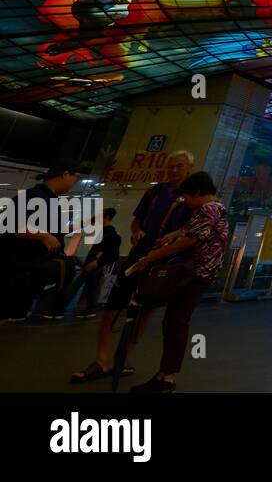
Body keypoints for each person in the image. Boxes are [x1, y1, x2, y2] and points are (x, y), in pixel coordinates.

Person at [69, 151, 195, 383]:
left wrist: (173, 238)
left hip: (162, 262)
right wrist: (136, 230)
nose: (174, 170)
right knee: (112, 307)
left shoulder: (191, 197)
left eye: (179, 166)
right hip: (138, 255)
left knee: (146, 311)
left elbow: (192, 230)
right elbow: (138, 219)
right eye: (171, 166)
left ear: (189, 168)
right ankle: (101, 360)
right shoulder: (155, 191)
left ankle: (121, 359)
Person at [130, 171, 230, 393]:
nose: (185, 202)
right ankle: (164, 374)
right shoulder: (218, 209)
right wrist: (174, 234)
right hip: (202, 274)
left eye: (186, 197)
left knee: (176, 322)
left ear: (196, 192)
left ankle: (166, 378)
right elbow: (190, 232)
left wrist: (152, 257)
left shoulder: (206, 209)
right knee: (174, 321)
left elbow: (189, 241)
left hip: (194, 274)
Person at [0, 165, 81, 323]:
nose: (75, 182)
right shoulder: (33, 197)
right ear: (65, 174)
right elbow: (10, 226)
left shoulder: (51, 200)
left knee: (15, 320)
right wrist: (43, 235)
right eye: (75, 177)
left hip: (28, 274)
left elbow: (54, 232)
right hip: (14, 273)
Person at [72, 207, 120, 318]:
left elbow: (103, 249)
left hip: (93, 263)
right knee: (91, 286)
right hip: (94, 263)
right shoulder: (105, 231)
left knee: (81, 285)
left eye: (101, 215)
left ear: (107, 217)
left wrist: (96, 261)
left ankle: (60, 308)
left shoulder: (108, 232)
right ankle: (90, 310)